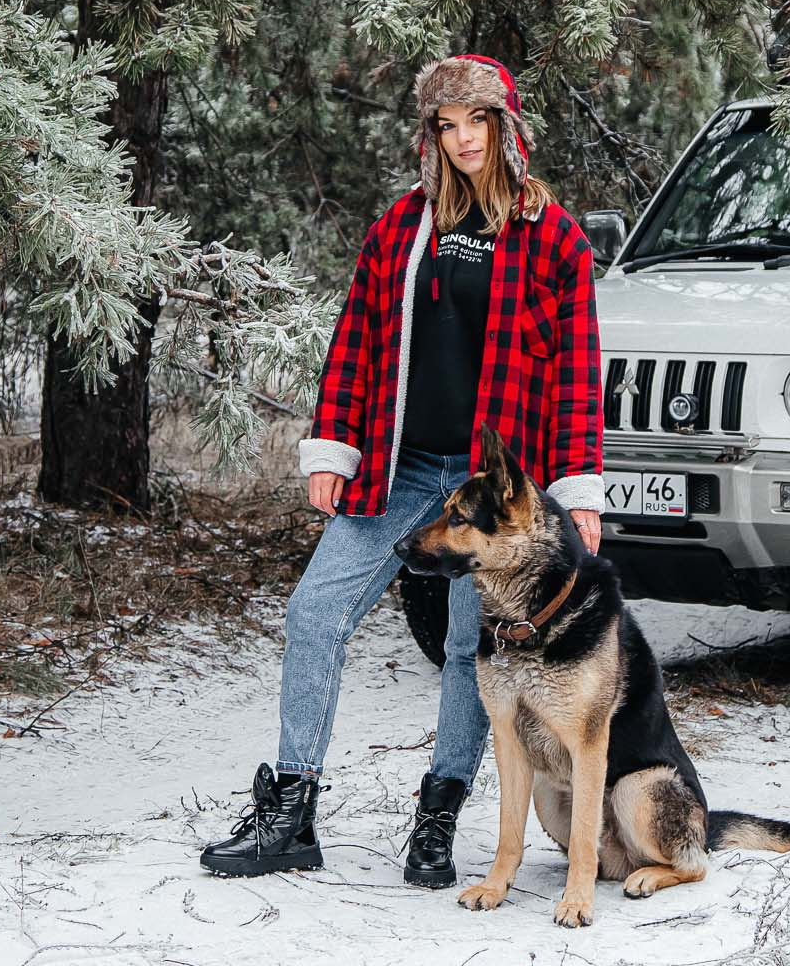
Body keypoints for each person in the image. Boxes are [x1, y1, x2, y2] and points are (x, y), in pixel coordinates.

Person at [200, 53, 606, 886]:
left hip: (487, 496)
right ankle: (291, 810)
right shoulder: (401, 227)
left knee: (465, 648)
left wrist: (578, 492)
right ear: (432, 135)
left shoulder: (552, 238)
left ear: (506, 127)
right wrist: (334, 444)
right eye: (447, 125)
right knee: (316, 611)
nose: (464, 140)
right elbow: (355, 340)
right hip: (400, 469)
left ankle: (437, 819)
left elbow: (575, 374)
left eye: (478, 121)